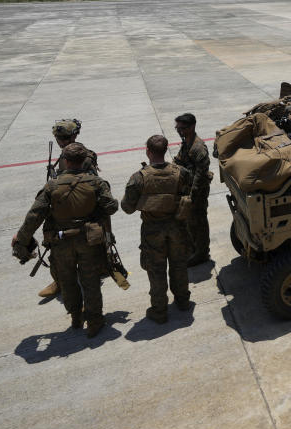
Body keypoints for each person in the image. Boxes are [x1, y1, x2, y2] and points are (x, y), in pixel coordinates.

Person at [11, 143, 118, 337]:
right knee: (91, 280)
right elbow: (111, 207)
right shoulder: (96, 182)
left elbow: (34, 216)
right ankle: (95, 321)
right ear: (85, 160)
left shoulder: (52, 186)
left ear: (65, 161)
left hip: (61, 243)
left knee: (67, 281)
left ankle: (76, 317)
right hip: (88, 240)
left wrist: (21, 239)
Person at [122, 135, 193, 324]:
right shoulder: (182, 172)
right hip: (177, 227)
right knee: (179, 264)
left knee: (156, 270)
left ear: (148, 151)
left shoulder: (139, 178)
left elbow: (127, 208)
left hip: (152, 231)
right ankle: (183, 301)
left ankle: (160, 310)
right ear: (165, 150)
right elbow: (187, 193)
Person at [37, 119, 101, 299]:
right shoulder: (65, 155)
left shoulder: (83, 157)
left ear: (75, 135)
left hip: (78, 210)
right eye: (59, 137)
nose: (61, 140)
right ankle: (59, 280)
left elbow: (92, 186)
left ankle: (65, 282)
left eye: (64, 137)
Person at [173, 113, 211, 267]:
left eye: (182, 128)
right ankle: (194, 248)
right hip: (188, 190)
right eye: (177, 128)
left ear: (192, 127)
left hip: (197, 192)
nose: (179, 131)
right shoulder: (186, 143)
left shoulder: (198, 148)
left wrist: (192, 196)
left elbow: (201, 175)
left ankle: (201, 253)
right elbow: (179, 160)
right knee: (190, 222)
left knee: (199, 222)